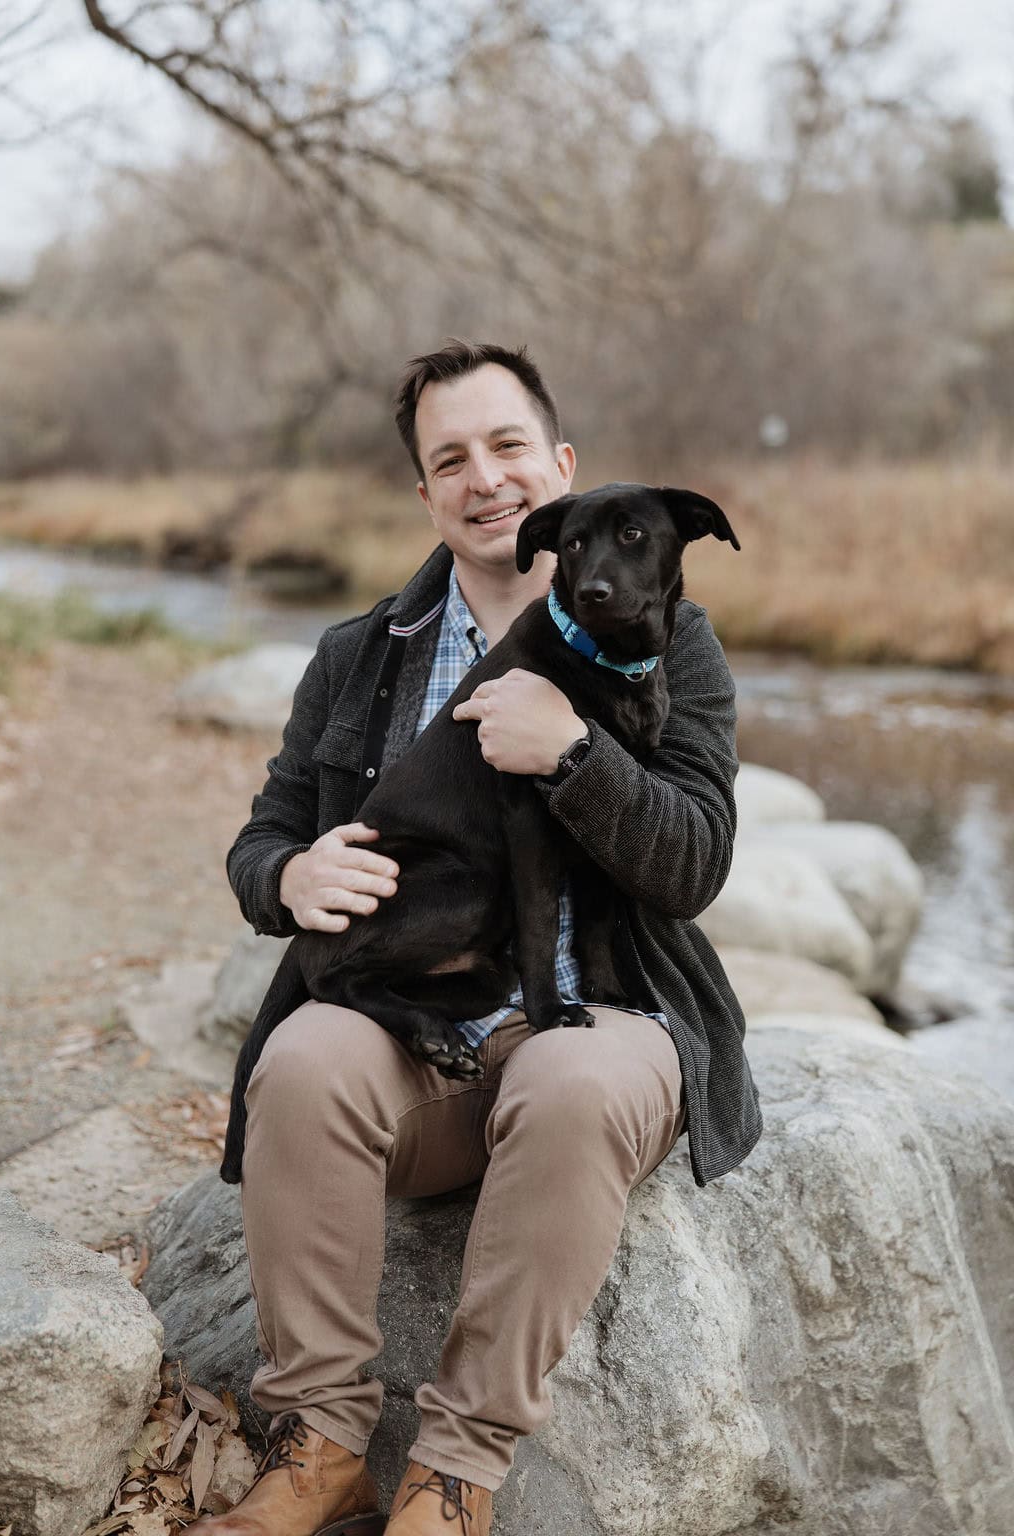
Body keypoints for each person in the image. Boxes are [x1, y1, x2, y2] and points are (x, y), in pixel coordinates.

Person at [190, 341, 762, 1536]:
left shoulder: (674, 643)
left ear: (556, 468)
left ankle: (454, 1475)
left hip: (600, 1012)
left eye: (505, 445)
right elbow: (263, 838)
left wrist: (573, 751)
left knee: (568, 1080)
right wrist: (289, 872)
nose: (483, 477)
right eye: (450, 458)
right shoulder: (360, 654)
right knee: (301, 1062)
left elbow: (695, 862)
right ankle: (321, 1445)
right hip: (417, 1022)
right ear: (426, 495)